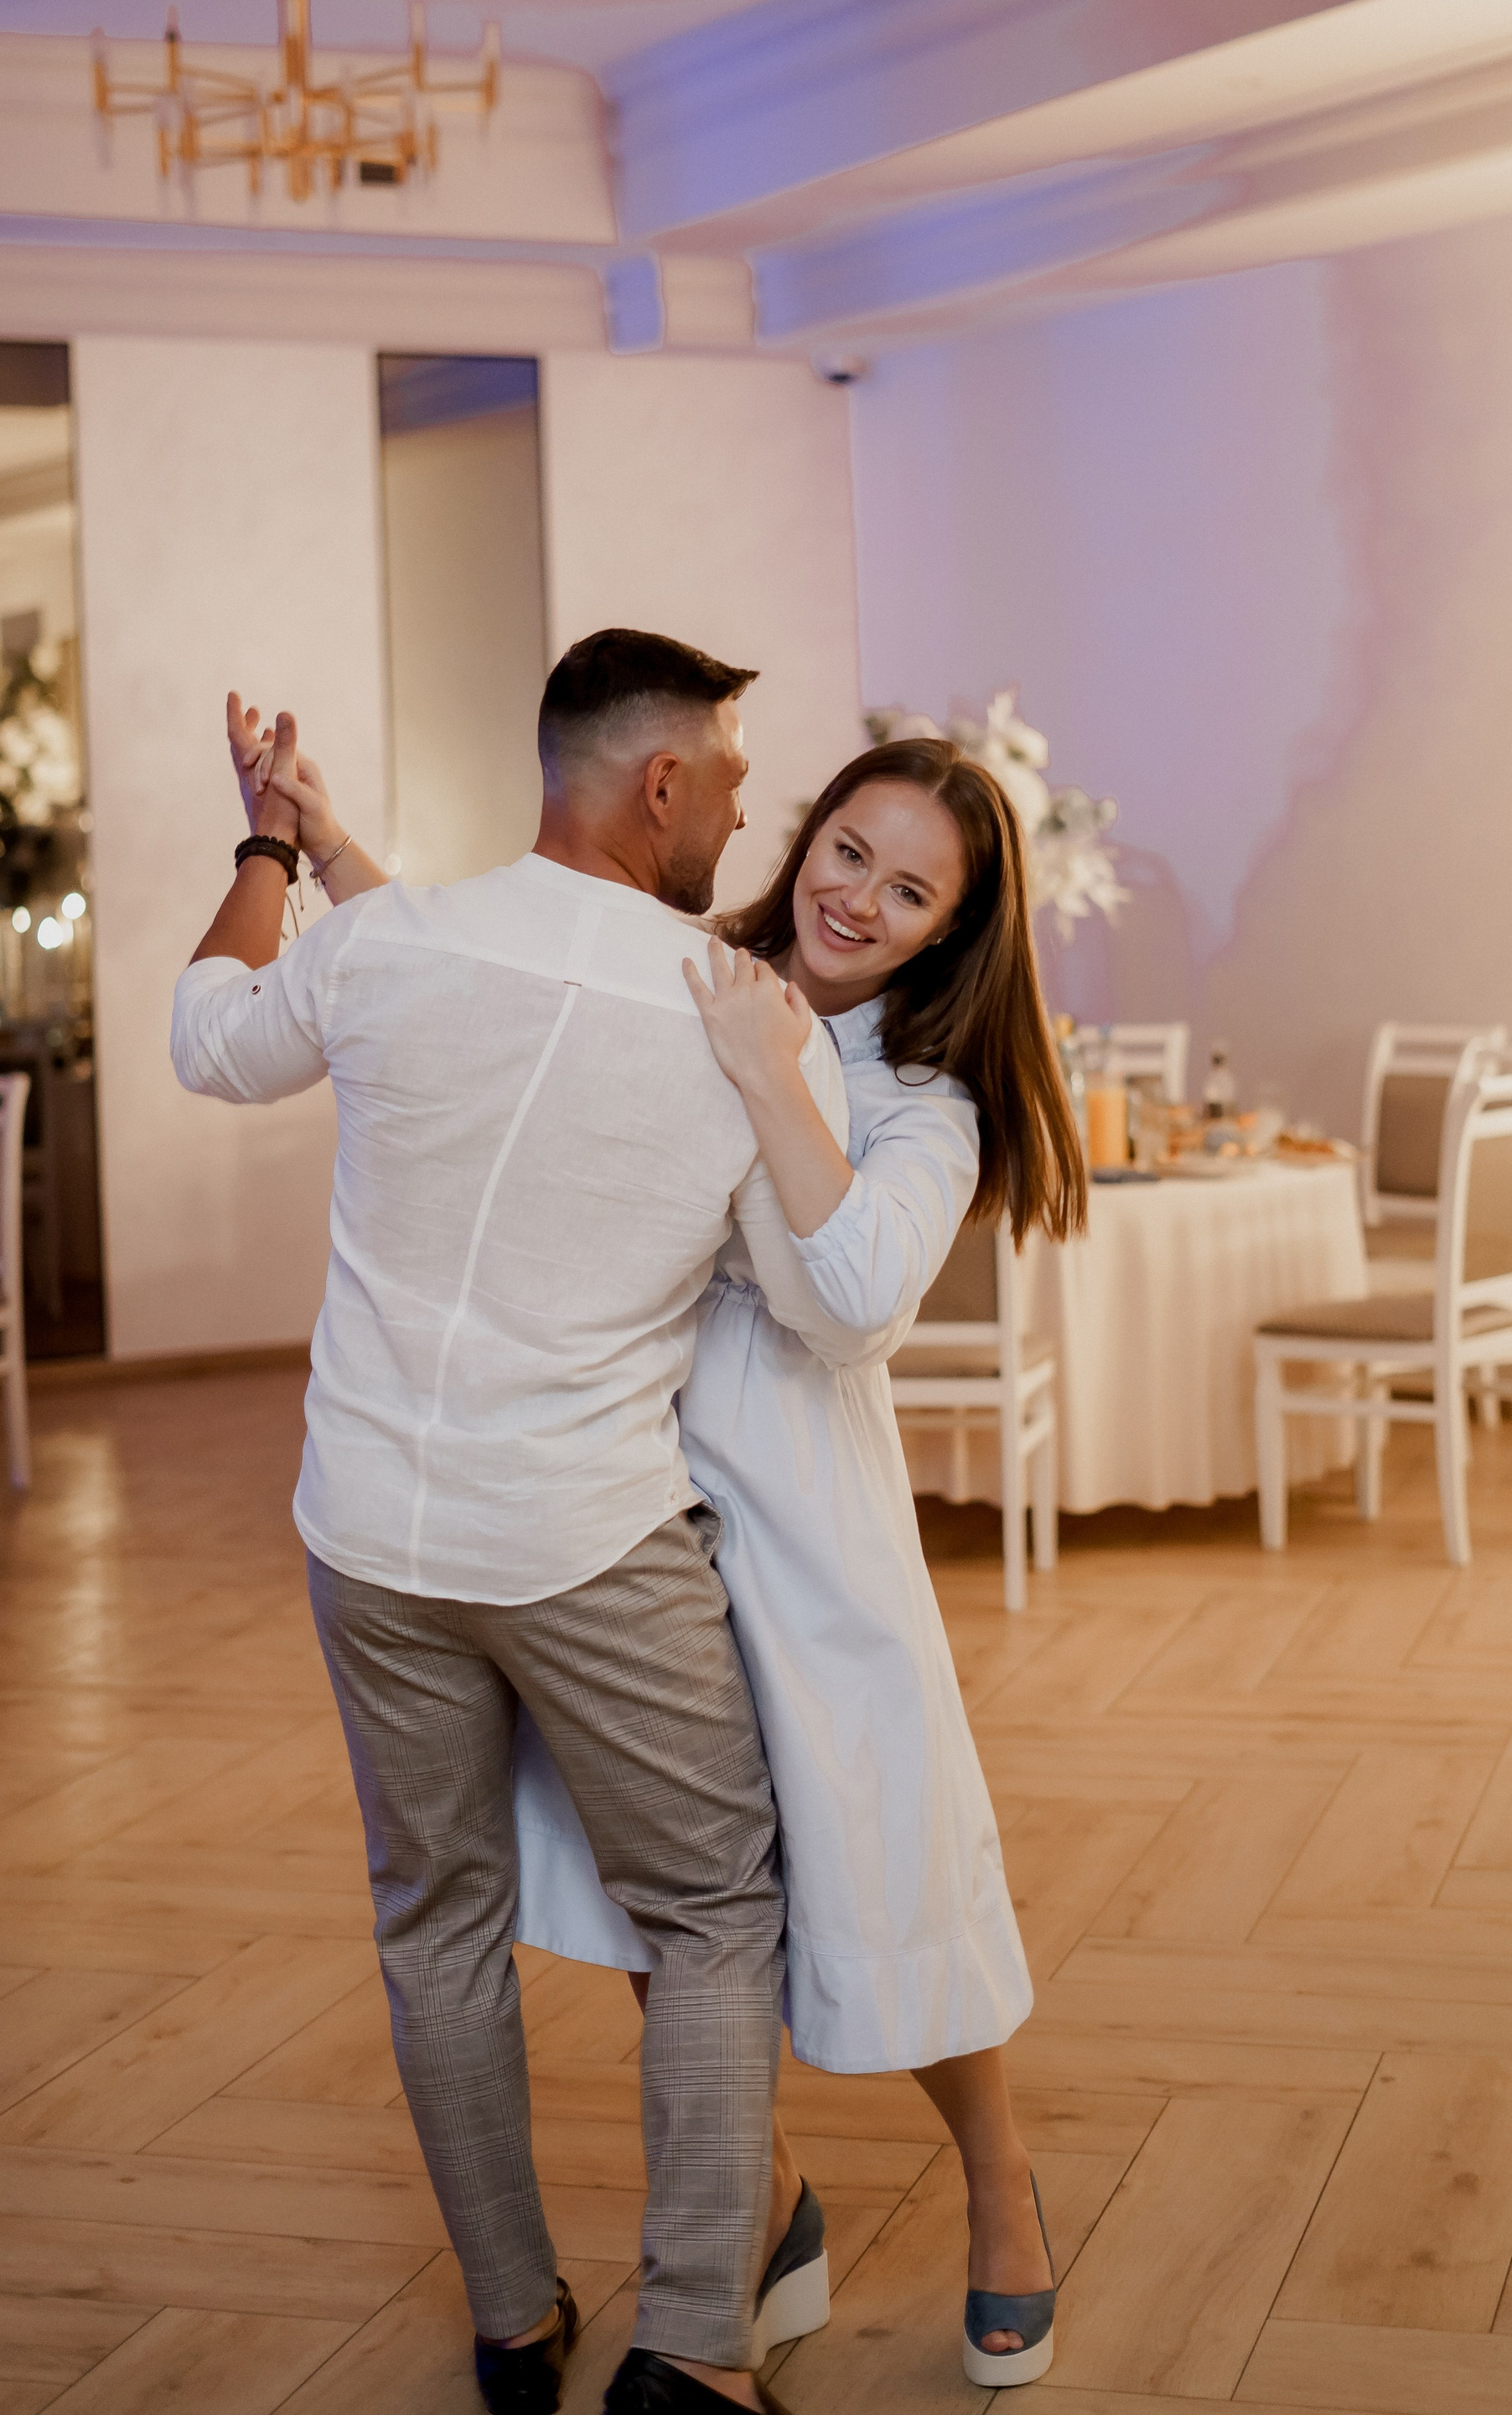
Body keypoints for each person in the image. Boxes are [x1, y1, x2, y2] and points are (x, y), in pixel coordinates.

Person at [171, 630, 903, 2415]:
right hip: (586, 1541)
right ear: (662, 783)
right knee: (712, 1910)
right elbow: (821, 1305)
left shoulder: (392, 943)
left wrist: (276, 842)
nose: (746, 814)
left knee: (436, 1921)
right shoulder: (739, 1015)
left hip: (368, 1534)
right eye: (734, 779)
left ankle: (513, 2324)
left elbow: (208, 1037)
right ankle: (695, 2347)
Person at [305, 731, 1088, 2392]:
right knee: (677, 1916)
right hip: (621, 1520)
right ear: (806, 835)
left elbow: (855, 1299)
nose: (858, 897)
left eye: (911, 889)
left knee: (891, 1901)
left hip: (808, 1547)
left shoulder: (923, 1100)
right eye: (849, 850)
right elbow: (475, 969)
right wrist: (330, 851)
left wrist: (767, 1069)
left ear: (951, 931)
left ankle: (1000, 2180)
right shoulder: (686, 965)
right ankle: (769, 2205)